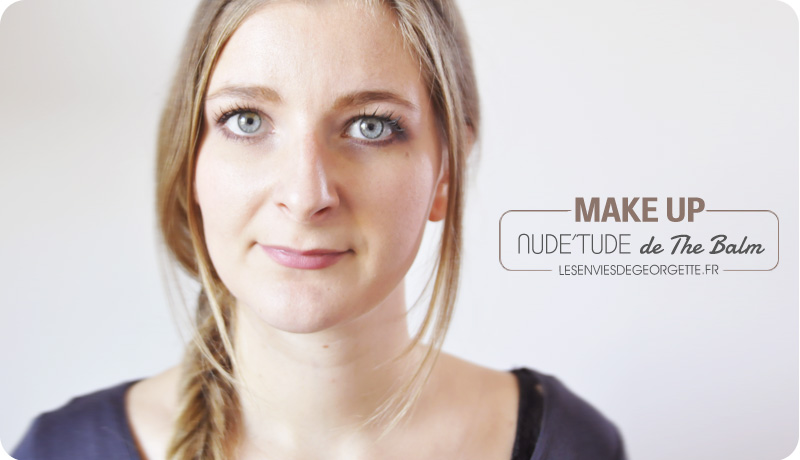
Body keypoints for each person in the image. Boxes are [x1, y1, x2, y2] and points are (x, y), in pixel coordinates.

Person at [12, 0, 626, 459]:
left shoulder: (569, 444)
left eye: (370, 126)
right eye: (246, 119)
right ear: (191, 158)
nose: (306, 197)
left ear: (447, 171)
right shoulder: (59, 451)